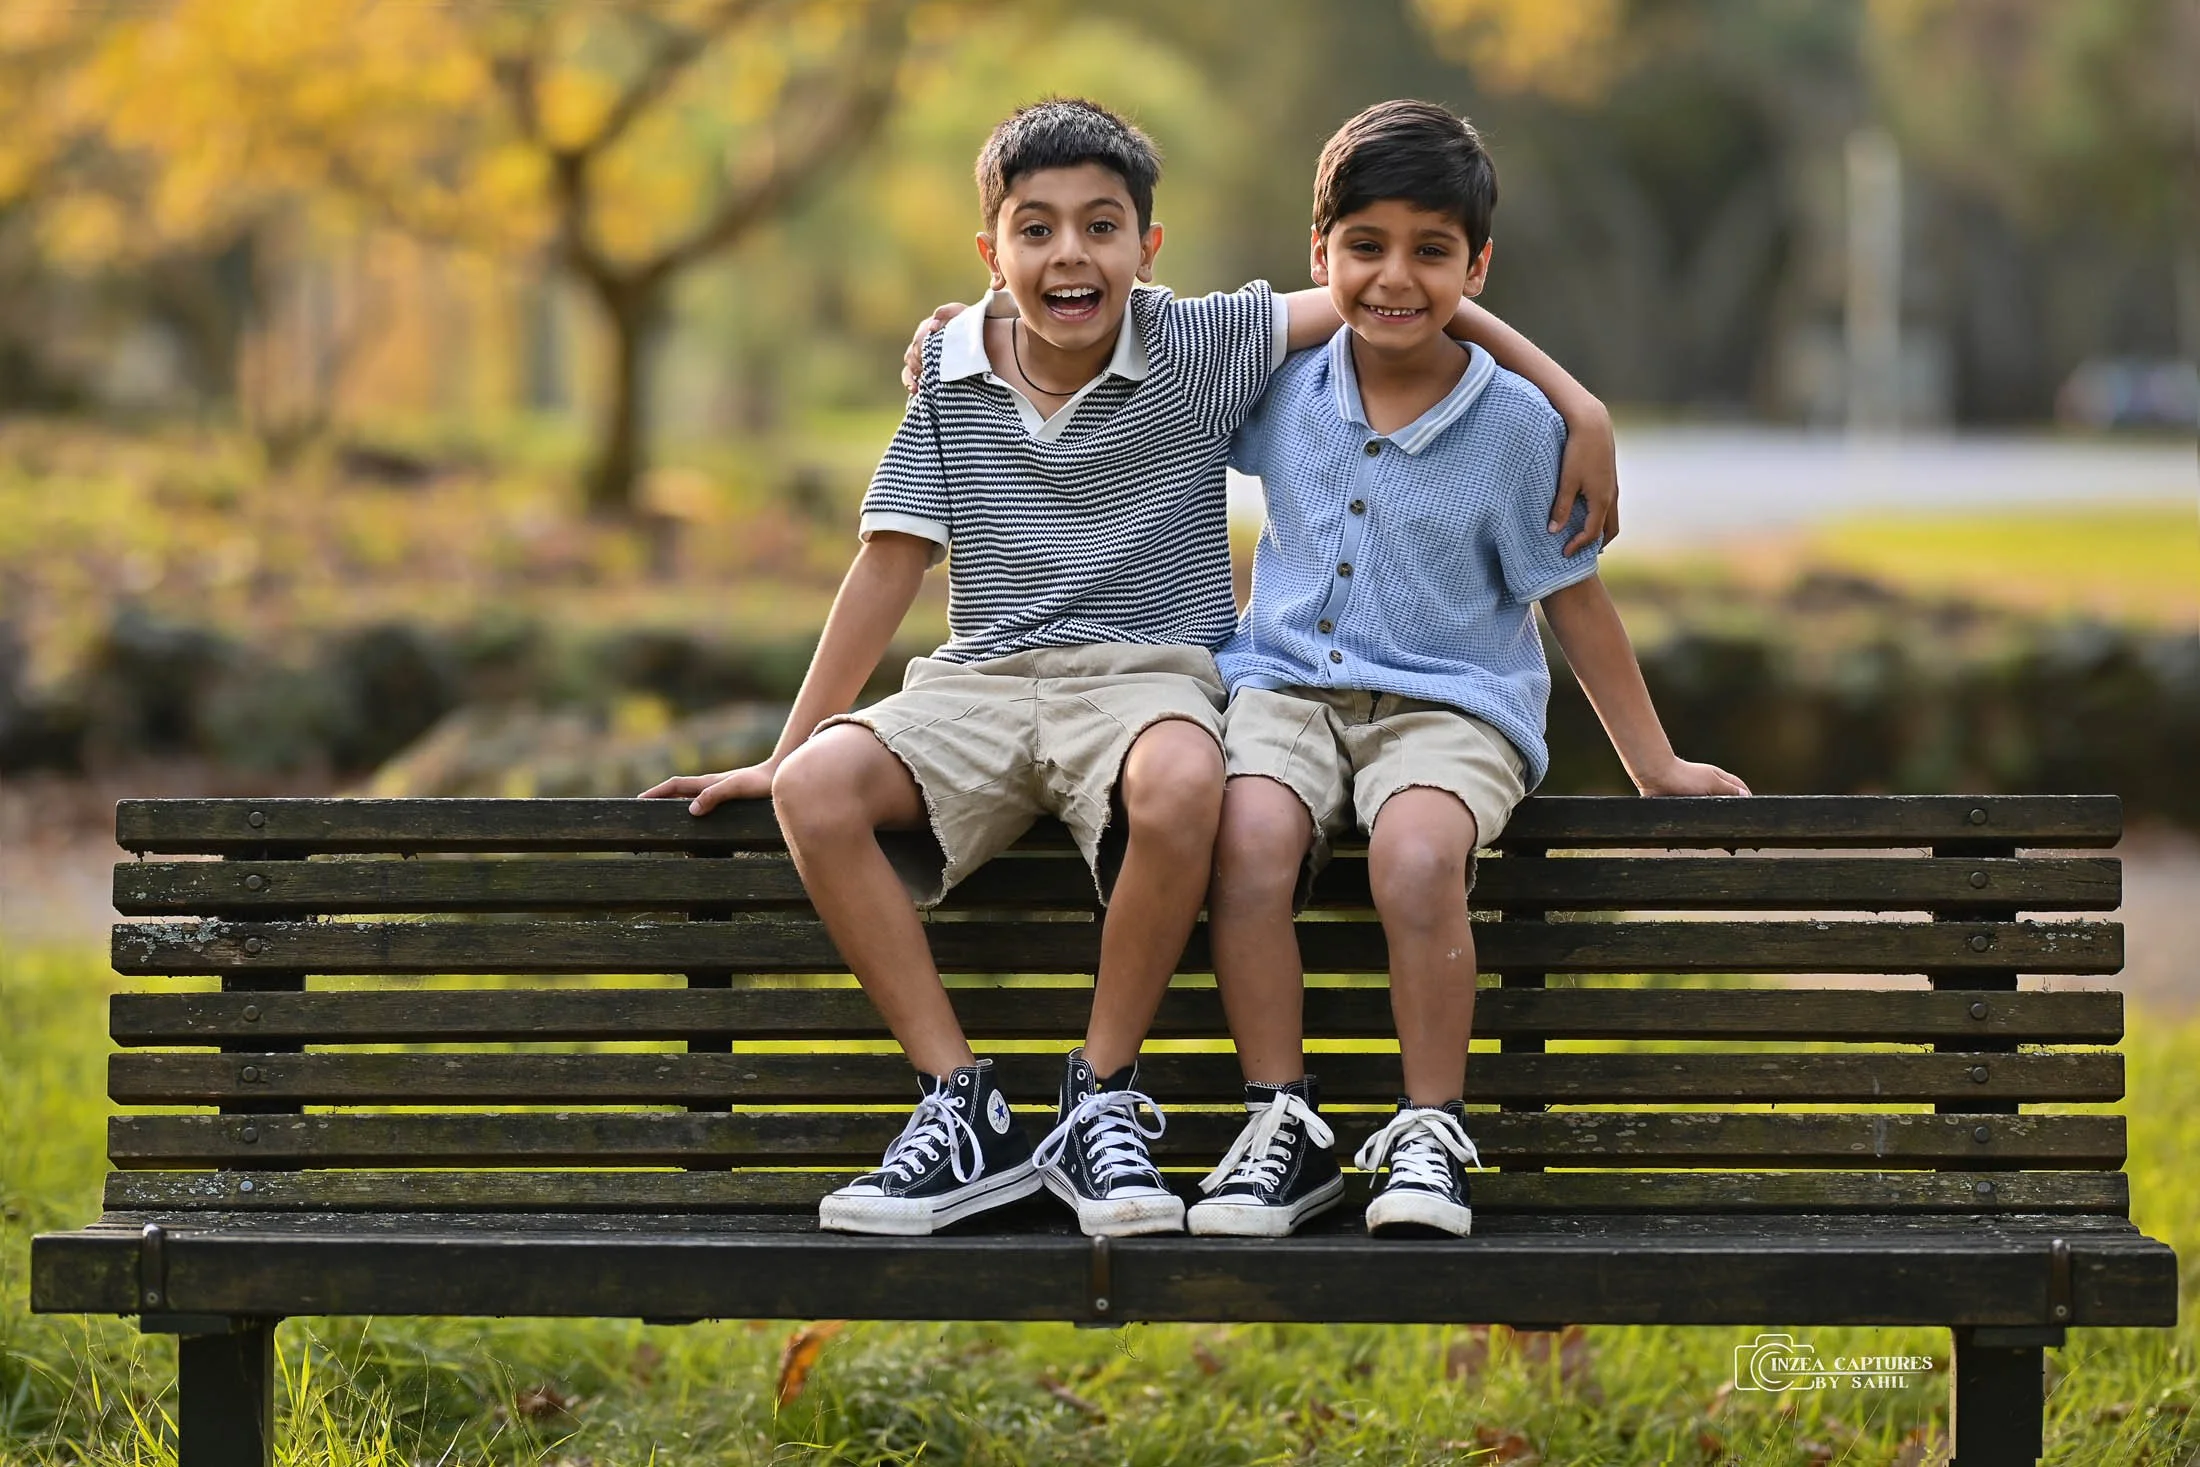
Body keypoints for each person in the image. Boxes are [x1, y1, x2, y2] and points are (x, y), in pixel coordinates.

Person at [646, 98, 1618, 1239]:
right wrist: (788, 745)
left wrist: (1576, 404)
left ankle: (1097, 1091)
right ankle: (963, 1109)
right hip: (983, 684)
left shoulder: (1202, 347)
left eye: (1100, 226)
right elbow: (885, 569)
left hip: (1150, 679)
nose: (1069, 253)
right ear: (992, 252)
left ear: (1145, 250)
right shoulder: (950, 378)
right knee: (816, 790)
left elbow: (1406, 297)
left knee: (1186, 783)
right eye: (1036, 230)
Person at [1184, 100, 1747, 1242]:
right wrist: (985, 328)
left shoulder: (1517, 427)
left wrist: (1655, 764)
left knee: (1417, 855)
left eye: (1431, 252)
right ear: (1318, 254)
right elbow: (1133, 357)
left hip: (1450, 706)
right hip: (1284, 686)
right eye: (1365, 246)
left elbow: (1574, 603)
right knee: (1244, 846)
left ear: (1475, 267)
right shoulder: (1279, 380)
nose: (1395, 277)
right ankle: (1280, 1121)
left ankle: (1430, 1127)